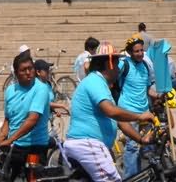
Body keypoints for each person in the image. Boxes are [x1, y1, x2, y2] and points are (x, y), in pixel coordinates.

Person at [63, 42, 149, 182]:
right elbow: (111, 111)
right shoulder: (94, 81)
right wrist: (140, 116)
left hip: (91, 145)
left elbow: (119, 121)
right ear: (109, 64)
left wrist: (140, 139)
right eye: (116, 64)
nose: (117, 69)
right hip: (88, 144)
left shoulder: (101, 84)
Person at [0, 50, 53, 179]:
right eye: (23, 70)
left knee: (33, 178)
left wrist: (10, 140)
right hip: (15, 147)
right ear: (16, 73)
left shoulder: (41, 89)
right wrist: (1, 136)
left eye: (30, 69)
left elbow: (32, 119)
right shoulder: (10, 90)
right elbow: (8, 119)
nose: (28, 73)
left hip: (35, 146)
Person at [116, 35, 156, 180]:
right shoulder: (123, 64)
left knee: (147, 146)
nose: (140, 54)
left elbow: (147, 89)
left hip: (144, 111)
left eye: (141, 50)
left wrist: (157, 96)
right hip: (128, 111)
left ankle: (141, 176)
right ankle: (130, 178)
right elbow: (111, 77)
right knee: (132, 147)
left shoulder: (145, 65)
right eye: (136, 51)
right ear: (130, 52)